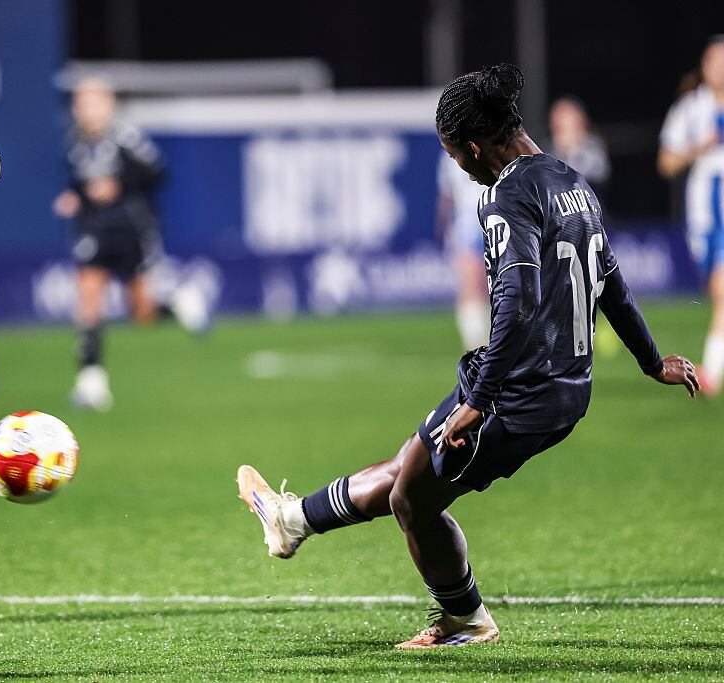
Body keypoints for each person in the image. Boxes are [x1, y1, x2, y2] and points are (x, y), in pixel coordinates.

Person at [238, 64, 698, 649]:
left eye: (454, 154)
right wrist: (652, 362)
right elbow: (612, 283)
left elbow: (518, 302)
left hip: (519, 390)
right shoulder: (572, 182)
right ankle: (292, 521)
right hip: (559, 383)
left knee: (412, 500)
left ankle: (466, 619)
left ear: (475, 148)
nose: (458, 166)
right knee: (412, 463)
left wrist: (479, 402)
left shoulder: (506, 195)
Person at [53, 77, 210, 411]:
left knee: (141, 313)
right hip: (94, 228)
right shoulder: (74, 141)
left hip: (130, 227)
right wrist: (75, 197)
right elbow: (80, 182)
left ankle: (177, 304)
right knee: (89, 299)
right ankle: (92, 383)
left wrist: (118, 185)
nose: (85, 109)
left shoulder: (125, 137)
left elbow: (157, 173)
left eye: (92, 102)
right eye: (80, 103)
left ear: (108, 104)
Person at [658, 35, 724, 396]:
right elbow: (666, 163)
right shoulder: (690, 109)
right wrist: (699, 148)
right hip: (706, 217)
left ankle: (711, 372)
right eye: (715, 61)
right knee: (717, 293)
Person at [436, 152, 489, 349]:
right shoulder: (450, 156)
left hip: (484, 218)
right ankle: (476, 343)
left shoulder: (451, 154)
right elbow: (447, 195)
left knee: (480, 286)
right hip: (471, 222)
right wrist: (444, 226)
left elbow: (446, 197)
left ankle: (481, 344)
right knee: (472, 284)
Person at [548, 96, 611, 198]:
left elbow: (595, 176)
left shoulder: (593, 148)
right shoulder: (547, 150)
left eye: (564, 117)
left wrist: (572, 150)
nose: (559, 122)